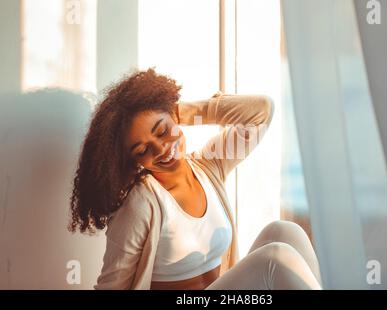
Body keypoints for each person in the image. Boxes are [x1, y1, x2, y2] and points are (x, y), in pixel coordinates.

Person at [69, 68, 322, 290]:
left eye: (163, 130)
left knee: (285, 231)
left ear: (174, 117)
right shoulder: (140, 205)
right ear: (133, 161)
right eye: (142, 150)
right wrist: (169, 119)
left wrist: (183, 110)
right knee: (273, 259)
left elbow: (261, 113)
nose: (160, 149)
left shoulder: (209, 166)